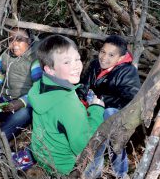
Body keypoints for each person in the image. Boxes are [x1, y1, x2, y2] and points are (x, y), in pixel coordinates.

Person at [28, 34, 105, 175]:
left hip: (44, 159)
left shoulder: (38, 86)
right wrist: (96, 109)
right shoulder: (67, 103)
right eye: (66, 62)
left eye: (77, 59)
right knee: (103, 138)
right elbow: (84, 146)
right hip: (65, 168)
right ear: (49, 69)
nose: (76, 66)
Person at [78, 35, 141, 178]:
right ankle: (92, 169)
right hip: (93, 106)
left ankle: (118, 172)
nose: (104, 57)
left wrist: (101, 101)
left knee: (109, 118)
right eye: (102, 52)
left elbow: (131, 100)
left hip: (115, 113)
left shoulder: (128, 71)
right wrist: (81, 98)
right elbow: (84, 85)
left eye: (111, 55)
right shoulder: (95, 64)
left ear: (120, 58)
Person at [0, 27, 42, 150]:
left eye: (19, 40)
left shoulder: (35, 60)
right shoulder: (5, 56)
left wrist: (21, 102)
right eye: (11, 40)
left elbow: (39, 89)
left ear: (29, 41)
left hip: (22, 105)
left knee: (22, 116)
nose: (14, 44)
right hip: (4, 103)